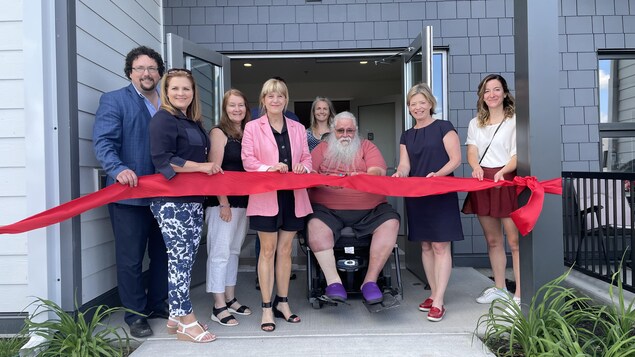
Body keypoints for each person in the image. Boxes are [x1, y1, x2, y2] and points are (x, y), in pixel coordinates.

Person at [92, 46, 168, 338]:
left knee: (162, 255)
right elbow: (103, 142)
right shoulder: (114, 101)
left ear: (159, 73)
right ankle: (135, 315)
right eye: (140, 68)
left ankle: (158, 303)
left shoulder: (169, 102)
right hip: (129, 196)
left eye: (152, 68)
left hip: (166, 196)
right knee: (131, 258)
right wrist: (117, 168)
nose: (147, 73)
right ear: (130, 73)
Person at [149, 68, 220, 343]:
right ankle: (186, 320)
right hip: (171, 203)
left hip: (192, 201)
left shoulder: (191, 121)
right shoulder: (163, 120)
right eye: (175, 88)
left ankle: (175, 316)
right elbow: (164, 160)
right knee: (179, 260)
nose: (181, 93)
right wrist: (203, 167)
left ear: (193, 93)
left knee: (186, 260)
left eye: (186, 89)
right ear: (166, 91)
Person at [241, 78, 312, 332]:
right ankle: (267, 308)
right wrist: (268, 169)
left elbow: (306, 157)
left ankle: (283, 303)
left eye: (280, 95)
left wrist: (305, 166)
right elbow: (248, 160)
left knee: (285, 252)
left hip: (293, 196)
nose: (275, 100)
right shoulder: (251, 127)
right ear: (263, 99)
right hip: (265, 195)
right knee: (267, 252)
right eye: (270, 96)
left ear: (286, 99)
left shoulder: (298, 127)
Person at [308, 111, 400, 305]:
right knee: (314, 225)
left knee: (391, 221)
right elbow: (310, 174)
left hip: (370, 209)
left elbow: (378, 170)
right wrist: (325, 180)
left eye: (350, 130)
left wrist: (364, 176)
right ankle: (334, 283)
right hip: (328, 210)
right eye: (340, 130)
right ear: (333, 131)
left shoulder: (367, 146)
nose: (345, 134)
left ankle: (370, 282)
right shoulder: (322, 149)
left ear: (355, 131)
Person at [393, 83, 464, 322]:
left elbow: (455, 160)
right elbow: (405, 165)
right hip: (417, 195)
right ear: (409, 108)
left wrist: (438, 175)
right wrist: (400, 174)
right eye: (413, 104)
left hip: (441, 193)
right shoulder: (407, 134)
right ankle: (433, 294)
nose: (418, 107)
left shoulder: (444, 127)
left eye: (422, 102)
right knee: (425, 246)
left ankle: (440, 300)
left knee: (440, 246)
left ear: (431, 104)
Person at [462, 74, 520, 306]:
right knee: (493, 240)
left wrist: (504, 170)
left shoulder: (515, 120)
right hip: (483, 181)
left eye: (497, 90)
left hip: (505, 179)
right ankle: (499, 287)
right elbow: (472, 151)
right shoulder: (475, 123)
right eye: (487, 91)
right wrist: (475, 167)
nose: (492, 94)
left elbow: (517, 154)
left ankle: (519, 294)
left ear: (505, 93)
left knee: (515, 241)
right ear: (482, 95)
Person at [205, 89, 251, 327]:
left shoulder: (247, 133)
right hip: (222, 204)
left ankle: (231, 298)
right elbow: (214, 170)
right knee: (220, 253)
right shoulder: (218, 132)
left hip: (243, 203)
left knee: (234, 252)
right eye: (232, 105)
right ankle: (218, 304)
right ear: (225, 109)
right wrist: (223, 202)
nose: (237, 109)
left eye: (241, 105)